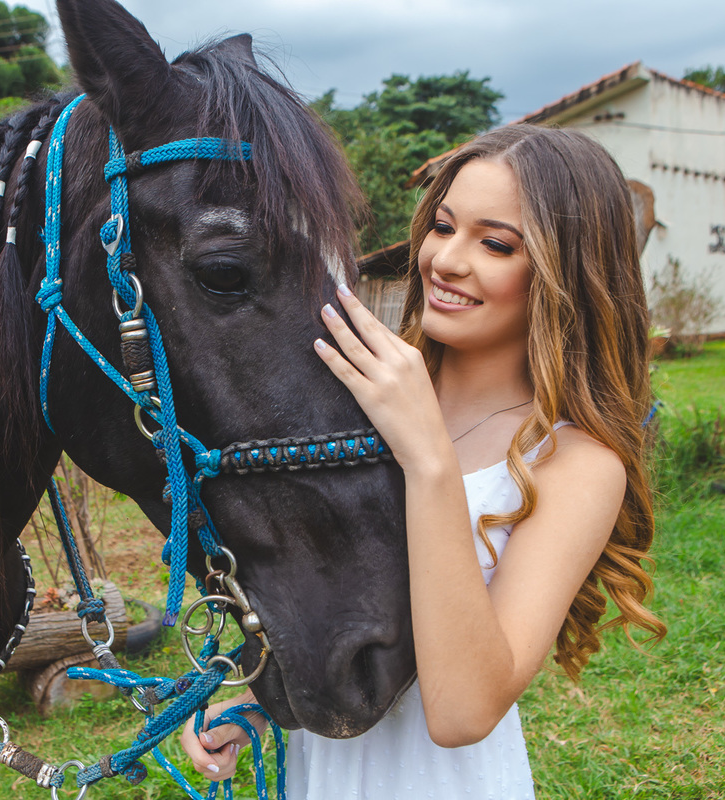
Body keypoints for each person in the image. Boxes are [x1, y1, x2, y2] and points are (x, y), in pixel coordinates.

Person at [179, 124, 666, 799]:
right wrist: (257, 701)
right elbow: (343, 608)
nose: (446, 260)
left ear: (567, 273)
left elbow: (464, 711)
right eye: (442, 226)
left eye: (496, 244)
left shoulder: (575, 461)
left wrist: (429, 458)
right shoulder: (356, 402)